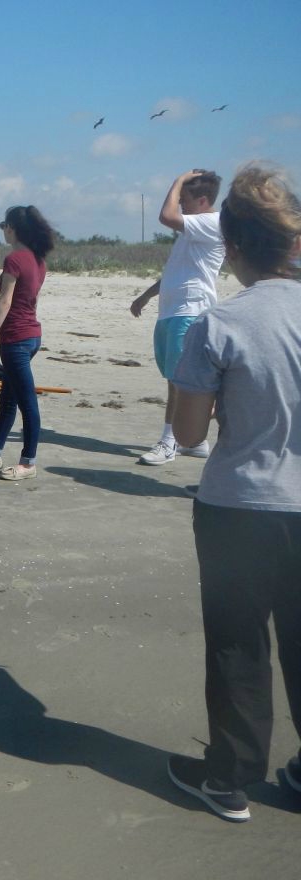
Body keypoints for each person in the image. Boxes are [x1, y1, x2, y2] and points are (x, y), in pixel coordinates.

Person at [166, 163, 301, 823]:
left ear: (235, 247)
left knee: (238, 645)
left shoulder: (219, 324)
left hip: (240, 508)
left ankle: (231, 778)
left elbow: (189, 433)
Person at [130, 169, 225, 465]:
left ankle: (169, 442)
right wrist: (146, 295)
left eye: (184, 199)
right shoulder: (193, 229)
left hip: (190, 310)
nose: (179, 203)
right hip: (171, 311)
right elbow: (177, 272)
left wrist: (177, 181)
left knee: (178, 382)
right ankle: (195, 441)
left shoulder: (211, 221)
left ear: (202, 199)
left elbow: (166, 217)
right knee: (173, 377)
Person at [0, 206, 56, 481]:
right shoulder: (39, 260)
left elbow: (5, 301)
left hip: (17, 340)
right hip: (31, 337)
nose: (3, 229)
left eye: (4, 224)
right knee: (8, 398)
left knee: (27, 402)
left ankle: (28, 462)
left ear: (13, 228)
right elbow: (33, 300)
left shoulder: (15, 259)